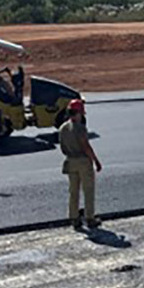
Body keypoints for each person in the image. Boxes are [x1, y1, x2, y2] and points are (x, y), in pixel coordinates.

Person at [59, 98, 102, 230]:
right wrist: (95, 160)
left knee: (73, 191)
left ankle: (74, 218)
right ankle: (90, 218)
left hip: (70, 161)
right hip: (83, 161)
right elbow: (86, 146)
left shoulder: (63, 128)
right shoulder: (80, 128)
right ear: (78, 113)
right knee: (88, 190)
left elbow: (62, 147)